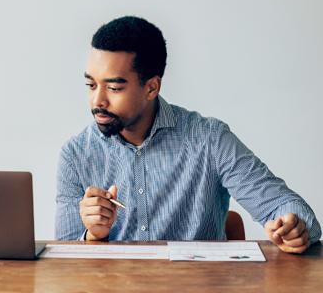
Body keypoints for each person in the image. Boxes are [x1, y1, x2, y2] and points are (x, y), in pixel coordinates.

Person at [55, 16, 320, 253]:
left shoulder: (209, 139)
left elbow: (283, 205)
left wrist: (292, 226)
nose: (97, 100)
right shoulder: (76, 154)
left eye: (113, 88)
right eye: (91, 85)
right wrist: (93, 235)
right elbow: (63, 257)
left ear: (151, 87)